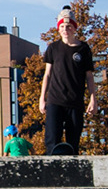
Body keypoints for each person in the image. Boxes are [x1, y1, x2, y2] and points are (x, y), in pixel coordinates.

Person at [38, 11, 96, 156]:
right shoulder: (53, 48)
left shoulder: (83, 49)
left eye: (69, 26)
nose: (65, 30)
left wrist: (93, 99)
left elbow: (89, 76)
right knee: (52, 140)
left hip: (75, 101)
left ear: (75, 28)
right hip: (55, 100)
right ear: (58, 28)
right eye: (62, 26)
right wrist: (42, 98)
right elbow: (47, 74)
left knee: (73, 141)